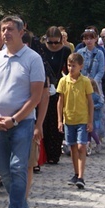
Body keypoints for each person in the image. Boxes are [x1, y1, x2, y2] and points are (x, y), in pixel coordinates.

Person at [0, 16, 44, 208]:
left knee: (18, 167)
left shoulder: (32, 58)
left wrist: (16, 119)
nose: (5, 33)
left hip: (22, 123)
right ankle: (23, 206)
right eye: (3, 29)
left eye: (10, 29)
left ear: (21, 32)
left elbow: (36, 95)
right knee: (3, 169)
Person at [57, 53, 94, 189]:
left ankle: (81, 176)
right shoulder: (63, 81)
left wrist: (90, 120)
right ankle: (76, 172)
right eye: (69, 65)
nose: (71, 68)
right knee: (72, 146)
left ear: (80, 66)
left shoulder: (85, 81)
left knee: (81, 146)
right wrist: (60, 120)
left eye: (74, 66)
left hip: (82, 119)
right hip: (69, 119)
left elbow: (90, 102)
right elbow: (60, 101)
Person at [37, 26, 71, 165]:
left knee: (56, 123)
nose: (53, 45)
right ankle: (42, 155)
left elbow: (68, 69)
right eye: (50, 42)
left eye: (56, 42)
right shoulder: (41, 50)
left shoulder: (65, 51)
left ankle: (54, 154)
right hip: (44, 88)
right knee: (43, 122)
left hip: (58, 88)